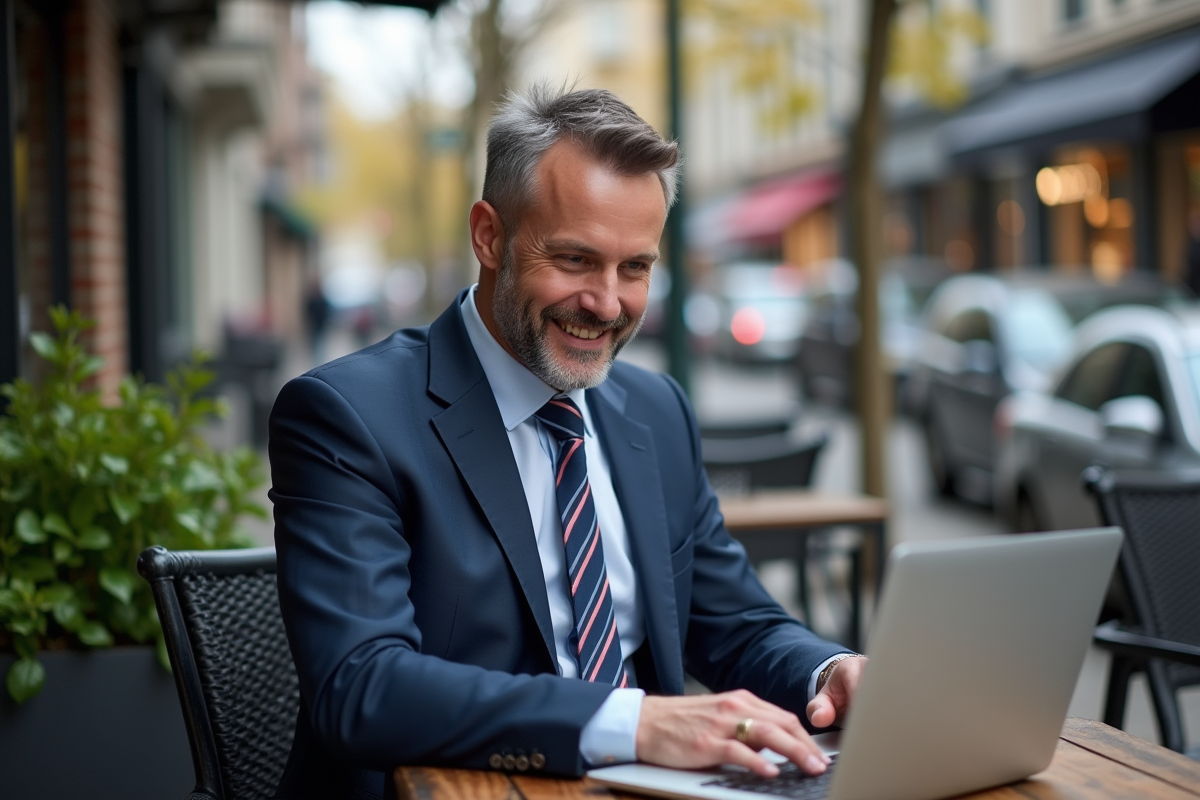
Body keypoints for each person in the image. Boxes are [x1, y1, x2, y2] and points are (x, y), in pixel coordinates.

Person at [268, 85, 866, 800]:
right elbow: (360, 686)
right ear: (490, 236)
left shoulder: (656, 411)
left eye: (636, 268)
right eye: (577, 260)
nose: (608, 304)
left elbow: (734, 624)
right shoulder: (346, 416)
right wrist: (635, 724)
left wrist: (830, 673)